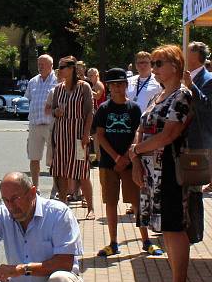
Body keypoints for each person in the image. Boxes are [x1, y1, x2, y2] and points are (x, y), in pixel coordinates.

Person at [130, 45, 192, 282]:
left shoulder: (181, 95)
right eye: (152, 63)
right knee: (165, 228)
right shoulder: (159, 95)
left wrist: (137, 150)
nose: (153, 68)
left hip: (169, 169)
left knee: (174, 227)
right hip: (151, 170)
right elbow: (141, 128)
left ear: (175, 66)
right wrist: (136, 159)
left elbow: (169, 135)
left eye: (158, 63)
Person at [93, 68, 162, 257]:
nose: (117, 87)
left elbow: (137, 134)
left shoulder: (133, 108)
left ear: (126, 85)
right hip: (109, 163)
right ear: (108, 87)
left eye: (120, 83)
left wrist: (126, 157)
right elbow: (100, 135)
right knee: (110, 202)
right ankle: (113, 242)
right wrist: (116, 158)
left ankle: (146, 240)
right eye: (113, 84)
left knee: (137, 201)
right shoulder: (104, 109)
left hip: (131, 162)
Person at [48, 56, 95, 218]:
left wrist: (86, 134)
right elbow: (52, 109)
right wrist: (56, 112)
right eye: (59, 67)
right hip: (61, 136)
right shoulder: (58, 89)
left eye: (62, 67)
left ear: (71, 69)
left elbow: (89, 112)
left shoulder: (84, 87)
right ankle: (63, 205)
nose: (59, 70)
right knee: (61, 170)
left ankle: (90, 208)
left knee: (82, 172)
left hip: (78, 137)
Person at [183, 42, 212, 196]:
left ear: (195, 56)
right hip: (180, 141)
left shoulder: (209, 79)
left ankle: (195, 221)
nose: (183, 53)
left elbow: (207, 107)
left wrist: (191, 86)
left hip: (196, 144)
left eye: (186, 51)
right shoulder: (183, 76)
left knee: (193, 193)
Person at [25, 55, 58, 189]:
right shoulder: (33, 81)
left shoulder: (57, 81)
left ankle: (56, 189)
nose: (40, 67)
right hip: (34, 124)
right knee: (34, 157)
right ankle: (35, 188)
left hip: (51, 124)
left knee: (54, 160)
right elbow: (28, 98)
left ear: (51, 65)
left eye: (43, 64)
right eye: (39, 64)